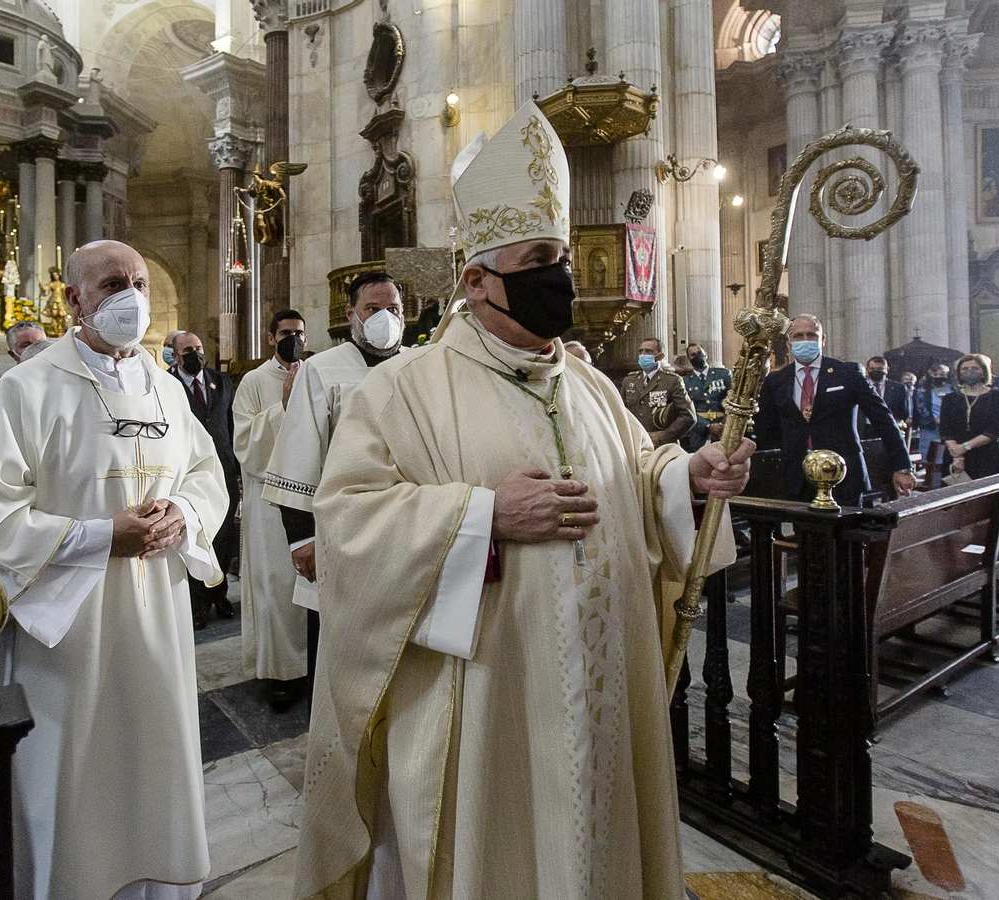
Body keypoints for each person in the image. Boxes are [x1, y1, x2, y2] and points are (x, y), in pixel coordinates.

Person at [292, 100, 754, 900]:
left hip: (605, 696)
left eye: (564, 256)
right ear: (476, 279)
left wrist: (689, 480)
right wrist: (482, 517)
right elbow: (345, 525)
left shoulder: (590, 385)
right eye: (541, 257)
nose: (563, 277)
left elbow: (635, 481)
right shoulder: (405, 390)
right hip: (493, 711)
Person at [0, 240, 228, 900]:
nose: (129, 294)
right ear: (72, 299)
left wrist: (183, 514)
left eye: (137, 281)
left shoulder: (165, 387)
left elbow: (205, 473)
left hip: (157, 616)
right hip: (68, 629)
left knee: (157, 767)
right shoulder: (28, 387)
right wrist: (103, 538)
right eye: (110, 284)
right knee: (73, 779)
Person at [263, 270, 406, 641]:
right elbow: (299, 451)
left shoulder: (418, 365)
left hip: (408, 521)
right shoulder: (321, 369)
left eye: (393, 309)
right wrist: (300, 537)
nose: (384, 319)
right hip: (343, 525)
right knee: (341, 635)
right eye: (372, 309)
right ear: (350, 314)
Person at [232, 309, 309, 711]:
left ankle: (314, 668)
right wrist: (282, 407)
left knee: (314, 585)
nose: (292, 339)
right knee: (277, 585)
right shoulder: (253, 382)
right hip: (270, 497)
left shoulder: (315, 373)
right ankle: (282, 674)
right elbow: (244, 443)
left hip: (312, 495)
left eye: (298, 333)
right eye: (284, 333)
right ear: (270, 338)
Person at [754, 315, 915, 505]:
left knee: (847, 533)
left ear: (822, 340)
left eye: (811, 335)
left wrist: (902, 466)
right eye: (798, 336)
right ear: (789, 343)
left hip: (843, 475)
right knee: (805, 533)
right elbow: (766, 429)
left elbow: (883, 419)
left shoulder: (847, 373)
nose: (805, 340)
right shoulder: (776, 381)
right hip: (798, 478)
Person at [171, 332, 239, 628]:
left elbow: (231, 424)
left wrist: (236, 468)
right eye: (188, 350)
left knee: (223, 536)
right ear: (175, 356)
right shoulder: (167, 385)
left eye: (198, 348)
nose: (195, 354)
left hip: (222, 469)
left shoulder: (220, 381)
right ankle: (197, 603)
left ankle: (219, 593)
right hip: (189, 473)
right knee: (196, 537)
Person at [939, 353, 999, 479]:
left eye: (975, 369)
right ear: (959, 373)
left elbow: (995, 430)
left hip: (987, 456)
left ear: (984, 372)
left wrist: (965, 447)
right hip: (955, 456)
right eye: (965, 369)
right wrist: (957, 455)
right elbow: (945, 429)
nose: (969, 372)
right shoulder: (950, 398)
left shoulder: (998, 397)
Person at [621, 337, 695, 446]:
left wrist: (663, 436)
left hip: (663, 445)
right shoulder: (629, 381)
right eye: (641, 351)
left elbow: (688, 416)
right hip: (635, 443)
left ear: (660, 356)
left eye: (649, 351)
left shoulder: (672, 381)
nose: (643, 354)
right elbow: (621, 412)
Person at [0, 320, 47, 410]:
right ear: (13, 354)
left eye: (39, 344)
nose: (35, 349)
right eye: (26, 345)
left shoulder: (63, 381)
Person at [681, 341, 732, 450]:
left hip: (725, 430)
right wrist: (707, 427)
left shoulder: (724, 374)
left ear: (706, 354)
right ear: (689, 359)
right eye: (693, 355)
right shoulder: (685, 381)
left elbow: (733, 402)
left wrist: (723, 425)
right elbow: (686, 410)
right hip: (699, 433)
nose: (697, 356)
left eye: (699, 353)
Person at [911, 362, 952, 458]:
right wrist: (934, 419)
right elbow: (921, 407)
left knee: (944, 454)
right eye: (935, 374)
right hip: (930, 426)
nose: (938, 377)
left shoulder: (951, 389)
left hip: (948, 426)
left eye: (941, 374)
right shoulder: (922, 390)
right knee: (930, 455)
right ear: (930, 375)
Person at [863, 354, 910, 428]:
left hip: (890, 428)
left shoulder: (899, 388)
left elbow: (904, 412)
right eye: (872, 369)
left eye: (879, 369)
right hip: (866, 428)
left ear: (887, 370)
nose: (876, 371)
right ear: (867, 370)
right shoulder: (861, 387)